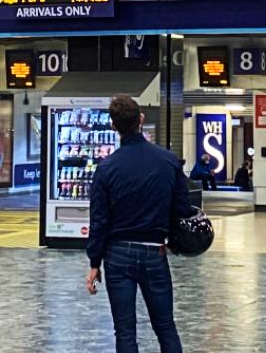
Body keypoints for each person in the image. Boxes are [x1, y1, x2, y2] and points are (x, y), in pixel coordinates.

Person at [85, 96, 189, 353]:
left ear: (113, 126)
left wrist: (94, 262)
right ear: (141, 119)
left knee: (125, 331)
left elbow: (99, 220)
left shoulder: (106, 168)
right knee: (165, 327)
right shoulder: (168, 162)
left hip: (117, 256)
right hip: (155, 252)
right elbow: (183, 209)